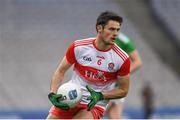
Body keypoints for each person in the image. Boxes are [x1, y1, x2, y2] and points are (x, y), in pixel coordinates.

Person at [46, 11, 131, 119]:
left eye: (118, 30)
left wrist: (101, 95)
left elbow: (123, 90)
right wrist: (53, 93)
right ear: (99, 28)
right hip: (71, 96)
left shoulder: (122, 58)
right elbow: (60, 71)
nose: (116, 34)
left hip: (95, 104)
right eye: (111, 29)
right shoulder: (79, 47)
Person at [106, 32, 142, 119]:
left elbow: (138, 62)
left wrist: (121, 75)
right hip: (103, 83)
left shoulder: (123, 40)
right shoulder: (101, 39)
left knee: (96, 112)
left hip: (114, 86)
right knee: (114, 116)